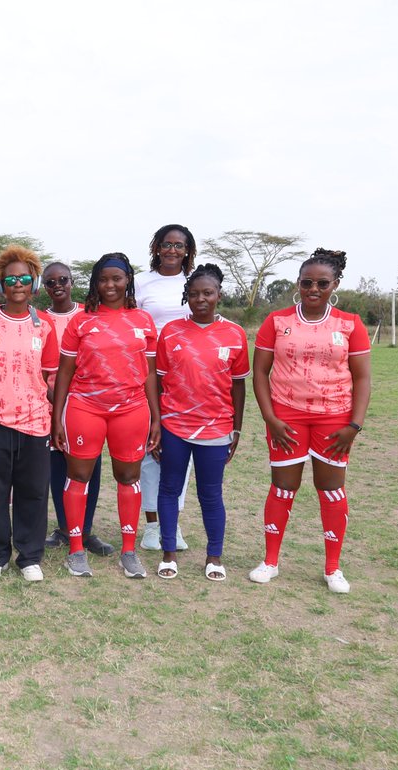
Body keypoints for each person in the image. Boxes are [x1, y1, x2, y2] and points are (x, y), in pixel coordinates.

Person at [249, 249, 371, 593]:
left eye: (322, 283)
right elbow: (259, 372)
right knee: (282, 487)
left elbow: (363, 378)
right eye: (306, 283)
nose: (313, 289)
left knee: (330, 489)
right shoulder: (277, 321)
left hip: (334, 419)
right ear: (298, 283)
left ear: (335, 285)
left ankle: (333, 568)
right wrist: (270, 418)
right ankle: (270, 562)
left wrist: (354, 426)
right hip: (286, 417)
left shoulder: (350, 324)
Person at [52, 253, 160, 580]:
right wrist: (57, 418)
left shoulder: (143, 320)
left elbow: (150, 374)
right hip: (85, 407)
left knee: (128, 477)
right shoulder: (81, 321)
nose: (110, 285)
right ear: (95, 284)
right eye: (103, 279)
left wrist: (156, 418)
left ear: (128, 281)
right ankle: (76, 550)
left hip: (131, 409)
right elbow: (64, 372)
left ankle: (129, 551)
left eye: (117, 278)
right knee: (79, 476)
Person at [153, 264, 249, 580]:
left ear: (219, 294)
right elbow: (159, 380)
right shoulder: (171, 332)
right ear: (187, 297)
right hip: (174, 426)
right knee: (169, 488)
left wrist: (236, 427)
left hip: (216, 427)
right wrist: (156, 424)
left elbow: (238, 385)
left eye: (207, 293)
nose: (201, 299)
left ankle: (214, 557)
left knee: (211, 494)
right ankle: (168, 554)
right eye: (194, 294)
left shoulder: (235, 334)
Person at [0, 247, 58, 582]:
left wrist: (55, 418)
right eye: (10, 279)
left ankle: (30, 555)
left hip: (35, 422)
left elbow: (49, 376)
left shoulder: (45, 325)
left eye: (24, 278)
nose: (17, 284)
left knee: (32, 491)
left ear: (34, 283)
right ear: (0, 284)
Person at [39, 261, 112, 557]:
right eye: (50, 282)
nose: (57, 286)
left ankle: (87, 530)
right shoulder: (38, 319)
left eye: (63, 280)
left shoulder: (89, 315)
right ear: (44, 287)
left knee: (89, 467)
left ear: (72, 282)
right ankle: (64, 528)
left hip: (87, 403)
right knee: (58, 466)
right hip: (49, 402)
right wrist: (53, 397)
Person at [136, 224, 197, 552]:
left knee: (180, 451)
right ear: (156, 247)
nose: (172, 250)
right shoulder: (141, 282)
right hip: (147, 373)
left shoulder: (195, 282)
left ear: (188, 250)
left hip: (185, 375)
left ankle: (173, 522)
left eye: (179, 245)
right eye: (167, 244)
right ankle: (151, 525)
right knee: (151, 448)